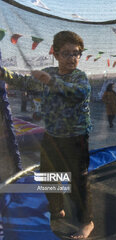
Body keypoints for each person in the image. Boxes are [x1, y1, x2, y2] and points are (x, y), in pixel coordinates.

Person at [0, 31, 94, 239]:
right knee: (48, 175)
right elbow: (26, 82)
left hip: (75, 138)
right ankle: (56, 207)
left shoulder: (79, 77)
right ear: (56, 54)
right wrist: (3, 73)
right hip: (52, 135)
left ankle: (87, 222)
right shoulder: (49, 71)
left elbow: (77, 94)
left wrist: (51, 82)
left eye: (76, 53)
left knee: (77, 181)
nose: (72, 58)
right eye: (66, 53)